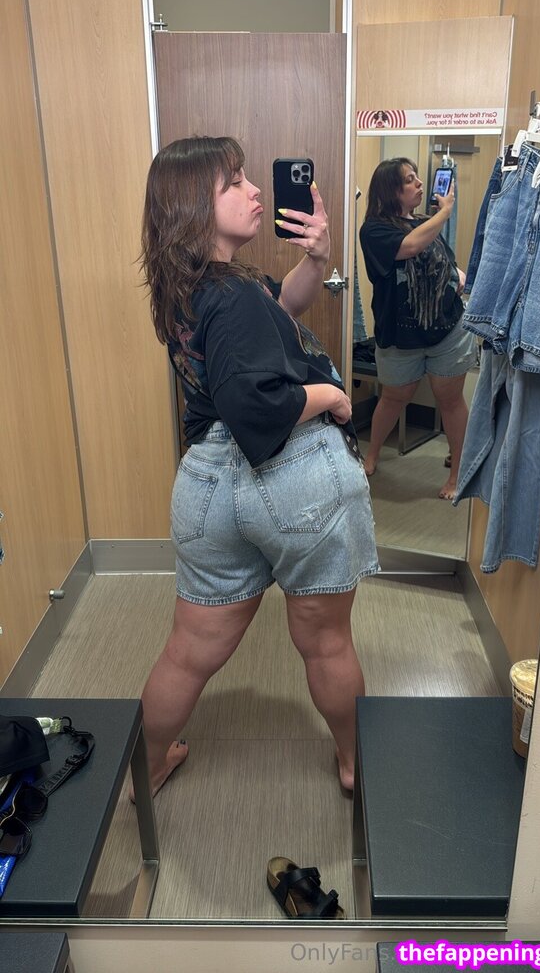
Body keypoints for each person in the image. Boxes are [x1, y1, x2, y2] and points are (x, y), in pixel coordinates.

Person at [137, 135, 379, 797]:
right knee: (327, 644)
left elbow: (282, 309)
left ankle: (147, 768)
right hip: (292, 478)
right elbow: (255, 404)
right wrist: (332, 397)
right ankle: (354, 766)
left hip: (207, 486)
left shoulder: (192, 288)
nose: (255, 191)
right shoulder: (234, 297)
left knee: (187, 651)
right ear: (193, 206)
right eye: (235, 183)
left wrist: (316, 258)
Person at [359, 157, 477, 499]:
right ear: (391, 190)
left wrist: (457, 276)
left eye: (416, 178)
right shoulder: (374, 230)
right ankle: (371, 455)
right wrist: (446, 212)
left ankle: (457, 474)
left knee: (450, 400)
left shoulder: (427, 223)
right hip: (400, 336)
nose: (420, 184)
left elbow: (446, 262)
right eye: (410, 179)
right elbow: (409, 246)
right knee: (394, 396)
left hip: (447, 330)